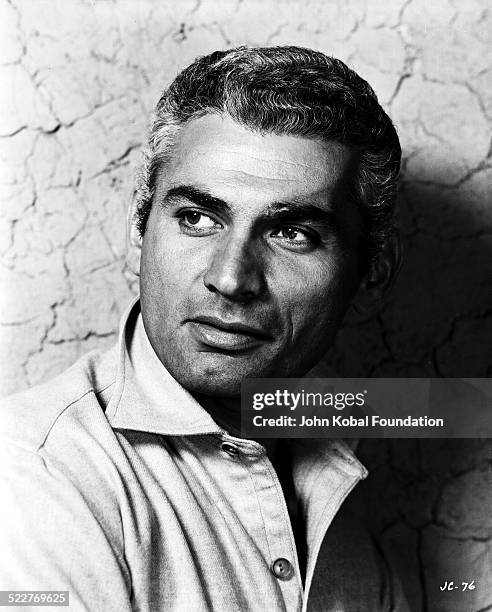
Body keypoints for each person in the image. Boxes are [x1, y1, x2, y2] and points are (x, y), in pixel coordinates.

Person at [0, 46, 408, 611]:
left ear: (371, 272)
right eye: (197, 218)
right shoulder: (32, 473)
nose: (231, 277)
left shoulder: (338, 439)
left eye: (292, 233)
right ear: (139, 231)